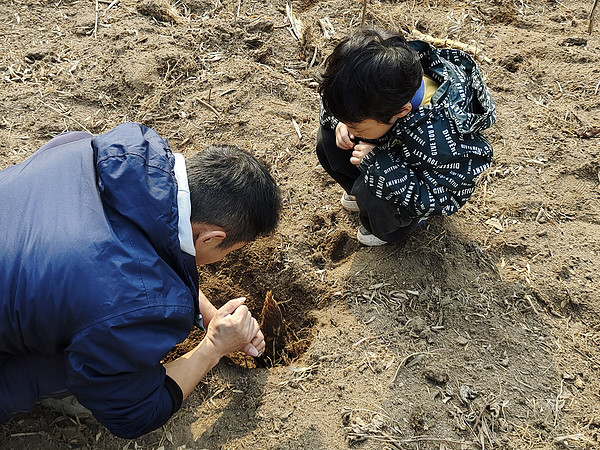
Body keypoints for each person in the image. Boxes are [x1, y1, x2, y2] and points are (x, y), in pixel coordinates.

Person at [0, 122, 281, 438]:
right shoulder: (134, 304)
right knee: (89, 365)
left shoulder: (105, 150)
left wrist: (208, 314)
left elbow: (139, 247)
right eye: (230, 251)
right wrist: (213, 346)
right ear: (210, 238)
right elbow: (134, 414)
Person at [316, 27, 496, 246]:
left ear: (401, 111)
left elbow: (443, 198)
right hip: (390, 144)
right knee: (327, 139)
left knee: (370, 194)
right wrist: (339, 124)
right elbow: (338, 103)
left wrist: (378, 163)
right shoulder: (387, 81)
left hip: (420, 183)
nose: (350, 129)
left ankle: (396, 226)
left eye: (357, 126)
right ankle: (362, 191)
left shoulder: (439, 137)